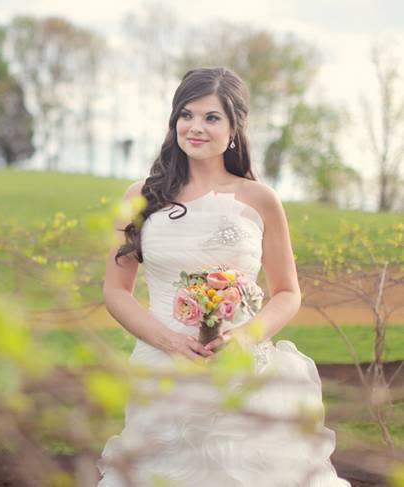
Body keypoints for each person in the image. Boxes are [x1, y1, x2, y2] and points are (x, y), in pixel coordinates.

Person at [96, 67, 351, 486]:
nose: (195, 127)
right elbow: (115, 292)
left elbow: (287, 292)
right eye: (186, 114)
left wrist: (245, 338)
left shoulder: (260, 199)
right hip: (164, 369)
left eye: (211, 117)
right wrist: (169, 341)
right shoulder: (140, 197)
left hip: (245, 371)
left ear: (234, 128)